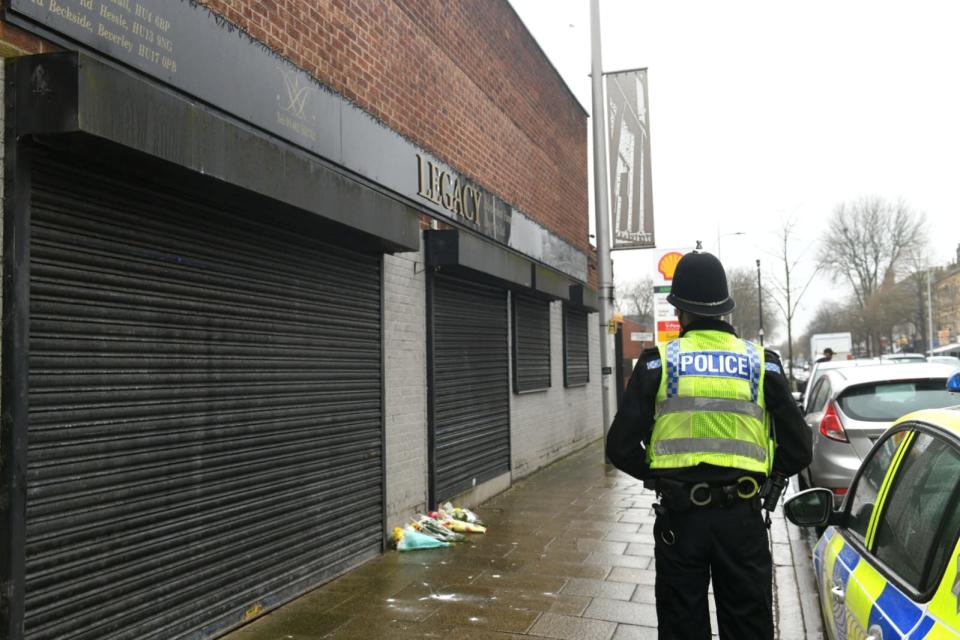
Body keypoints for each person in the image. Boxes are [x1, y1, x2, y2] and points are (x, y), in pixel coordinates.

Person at [606, 251, 812, 640]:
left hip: (680, 521)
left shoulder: (658, 363)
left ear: (680, 309)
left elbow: (619, 447)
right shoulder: (760, 364)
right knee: (748, 626)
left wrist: (659, 477)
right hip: (743, 519)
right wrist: (771, 478)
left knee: (682, 626)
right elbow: (800, 449)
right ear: (725, 309)